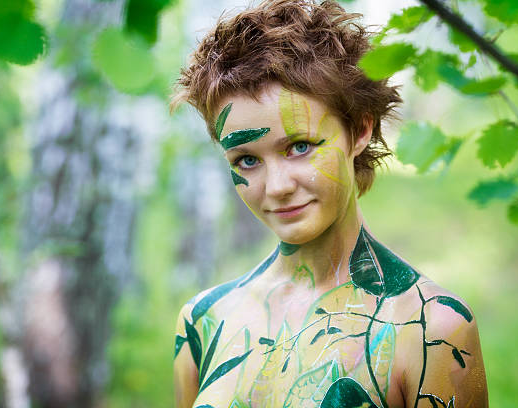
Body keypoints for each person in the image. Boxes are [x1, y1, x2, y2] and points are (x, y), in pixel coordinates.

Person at [170, 1, 488, 407]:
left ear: (359, 129)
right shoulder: (203, 323)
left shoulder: (430, 327)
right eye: (247, 160)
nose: (277, 187)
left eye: (299, 146)